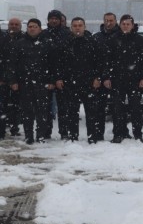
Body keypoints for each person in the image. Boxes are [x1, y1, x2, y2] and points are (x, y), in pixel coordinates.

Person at [7, 19, 56, 144]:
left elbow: (53, 64)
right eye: (30, 26)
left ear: (40, 28)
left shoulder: (47, 43)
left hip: (42, 83)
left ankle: (41, 136)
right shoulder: (19, 44)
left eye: (35, 26)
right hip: (24, 83)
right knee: (26, 111)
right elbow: (12, 64)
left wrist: (52, 81)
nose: (32, 29)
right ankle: (28, 135)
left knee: (42, 111)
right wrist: (13, 81)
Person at [56, 17, 104, 142]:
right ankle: (73, 136)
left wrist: (97, 77)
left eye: (80, 25)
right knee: (72, 112)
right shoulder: (65, 42)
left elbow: (99, 62)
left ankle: (92, 136)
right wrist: (59, 78)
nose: (77, 28)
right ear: (71, 27)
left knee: (91, 112)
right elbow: (59, 62)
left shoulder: (92, 42)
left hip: (89, 82)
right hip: (70, 82)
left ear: (84, 27)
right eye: (75, 26)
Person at [103, 15, 143, 143]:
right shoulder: (113, 39)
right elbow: (107, 60)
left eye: (128, 24)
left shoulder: (140, 40)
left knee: (136, 109)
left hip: (135, 80)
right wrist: (106, 77)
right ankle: (119, 133)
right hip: (117, 80)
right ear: (120, 25)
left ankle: (138, 134)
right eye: (123, 24)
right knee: (117, 109)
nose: (126, 26)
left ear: (132, 26)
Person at [42, 9, 71, 140]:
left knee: (63, 107)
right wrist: (49, 79)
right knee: (46, 107)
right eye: (51, 18)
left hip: (63, 77)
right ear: (48, 20)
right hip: (46, 77)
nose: (54, 21)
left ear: (60, 20)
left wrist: (61, 77)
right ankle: (46, 131)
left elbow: (69, 58)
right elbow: (41, 58)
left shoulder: (67, 35)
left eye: (56, 18)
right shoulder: (43, 35)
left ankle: (64, 131)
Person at [94, 12, 121, 136]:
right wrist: (98, 76)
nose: (109, 23)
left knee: (117, 108)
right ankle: (98, 133)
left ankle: (119, 133)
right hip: (100, 77)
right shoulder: (97, 37)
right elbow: (93, 59)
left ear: (115, 21)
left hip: (117, 77)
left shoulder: (121, 36)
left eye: (111, 20)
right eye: (106, 20)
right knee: (99, 108)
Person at [1, 18, 25, 137]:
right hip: (2, 78)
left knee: (17, 106)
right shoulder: (2, 38)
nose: (14, 26)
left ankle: (14, 128)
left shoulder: (24, 39)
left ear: (20, 26)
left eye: (16, 24)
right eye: (11, 24)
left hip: (18, 78)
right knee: (2, 105)